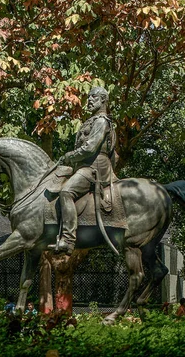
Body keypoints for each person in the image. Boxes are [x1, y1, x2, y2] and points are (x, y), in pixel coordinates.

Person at [51, 86, 117, 255]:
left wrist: (70, 156)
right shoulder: (92, 121)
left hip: (93, 168)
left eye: (93, 97)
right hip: (84, 166)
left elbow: (90, 148)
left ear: (103, 100)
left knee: (66, 192)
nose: (89, 100)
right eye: (88, 97)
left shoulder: (102, 121)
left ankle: (68, 239)